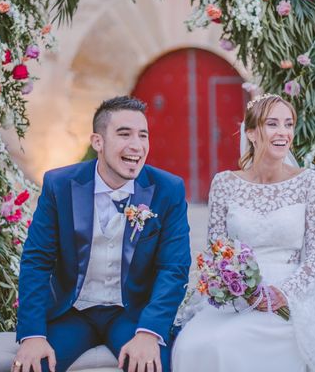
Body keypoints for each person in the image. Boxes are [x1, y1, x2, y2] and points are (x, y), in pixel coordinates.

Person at [13, 96, 191, 372]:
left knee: (155, 367)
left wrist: (149, 332)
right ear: (98, 142)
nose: (137, 145)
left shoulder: (168, 189)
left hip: (132, 315)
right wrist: (32, 335)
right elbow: (36, 261)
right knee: (32, 367)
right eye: (124, 134)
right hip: (71, 312)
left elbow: (174, 268)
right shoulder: (59, 185)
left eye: (143, 135)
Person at [172, 93, 315, 372]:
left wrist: (283, 294)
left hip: (287, 294)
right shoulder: (224, 183)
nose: (283, 132)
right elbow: (216, 251)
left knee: (226, 344)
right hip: (237, 294)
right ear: (251, 133)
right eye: (272, 124)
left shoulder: (309, 182)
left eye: (288, 124)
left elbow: (314, 258)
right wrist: (236, 289)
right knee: (192, 343)